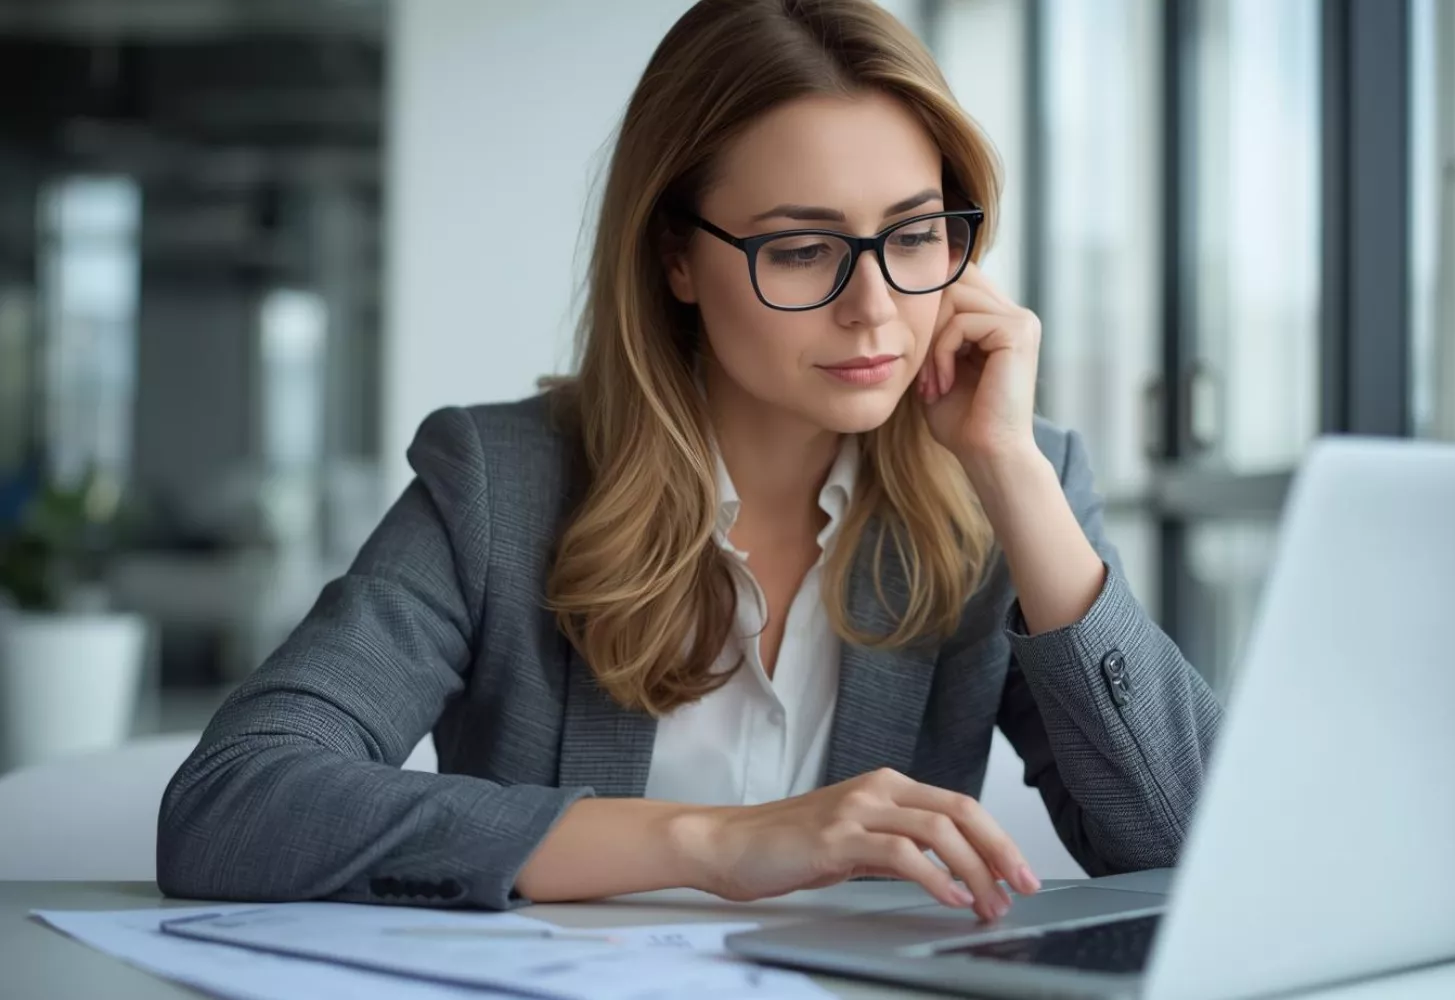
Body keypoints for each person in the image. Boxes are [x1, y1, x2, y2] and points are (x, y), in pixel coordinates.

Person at [158, 0, 1221, 923]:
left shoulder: (1005, 486)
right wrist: (716, 843)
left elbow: (1195, 847)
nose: (876, 308)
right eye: (801, 249)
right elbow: (233, 804)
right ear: (675, 255)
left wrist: (1014, 475)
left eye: (914, 235)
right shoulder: (498, 483)